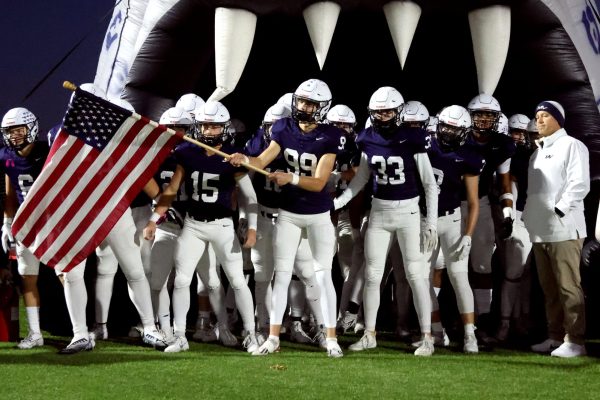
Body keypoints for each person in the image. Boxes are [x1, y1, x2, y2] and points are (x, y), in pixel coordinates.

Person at [228, 78, 344, 358]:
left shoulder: (330, 136)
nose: (304, 107)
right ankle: (273, 337)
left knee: (322, 276)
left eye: (310, 103)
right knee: (280, 276)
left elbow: (318, 183)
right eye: (302, 101)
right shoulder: (283, 128)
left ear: (322, 108)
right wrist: (242, 159)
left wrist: (290, 177)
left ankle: (331, 337)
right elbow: (262, 161)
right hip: (289, 214)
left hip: (318, 215)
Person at [56, 93, 167, 354]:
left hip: (116, 215)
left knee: (134, 271)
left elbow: (154, 191)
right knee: (72, 274)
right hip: (80, 217)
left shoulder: (126, 151)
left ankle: (149, 327)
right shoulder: (70, 140)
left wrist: (155, 216)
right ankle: (80, 334)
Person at [145, 101, 259, 354]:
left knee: (237, 281)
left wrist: (251, 227)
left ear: (224, 129)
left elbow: (249, 197)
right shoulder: (187, 152)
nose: (208, 131)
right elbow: (172, 190)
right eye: (205, 125)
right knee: (183, 280)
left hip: (222, 226)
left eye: (214, 126)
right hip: (193, 225)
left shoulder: (232, 157)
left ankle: (250, 334)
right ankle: (180, 335)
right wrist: (154, 220)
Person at [333, 86, 438, 356]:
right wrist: (340, 201)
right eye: (379, 112)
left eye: (389, 111)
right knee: (371, 275)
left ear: (398, 112)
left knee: (415, 275)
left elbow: (429, 185)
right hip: (379, 211)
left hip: (408, 212)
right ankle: (369, 333)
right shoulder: (367, 138)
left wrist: (431, 223)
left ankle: (427, 336)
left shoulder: (413, 138)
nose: (384, 117)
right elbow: (362, 178)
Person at [523, 100, 589, 358]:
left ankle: (576, 339)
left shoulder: (572, 145)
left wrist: (560, 210)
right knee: (549, 289)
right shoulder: (536, 152)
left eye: (544, 116)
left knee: (568, 287)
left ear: (558, 119)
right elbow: (534, 192)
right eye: (537, 115)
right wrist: (530, 219)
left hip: (564, 229)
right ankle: (554, 336)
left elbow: (579, 183)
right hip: (540, 231)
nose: (538, 120)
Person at [422, 105, 485, 353]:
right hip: (425, 219)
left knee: (459, 277)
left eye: (454, 128)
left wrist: (468, 235)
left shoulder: (470, 155)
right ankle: (437, 331)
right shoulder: (425, 144)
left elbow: (473, 201)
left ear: (464, 132)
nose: (448, 132)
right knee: (421, 278)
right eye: (446, 126)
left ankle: (470, 334)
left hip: (451, 219)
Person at [464, 94, 515, 341]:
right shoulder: (457, 136)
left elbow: (505, 182)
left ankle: (482, 321)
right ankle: (440, 320)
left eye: (489, 115)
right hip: (451, 204)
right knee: (441, 265)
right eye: (479, 114)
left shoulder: (501, 145)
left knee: (481, 264)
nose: (484, 119)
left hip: (481, 204)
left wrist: (507, 212)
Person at [0, 107, 49, 349]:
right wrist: (7, 223)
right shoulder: (7, 156)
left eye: (18, 130)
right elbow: (9, 193)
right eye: (9, 131)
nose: (14, 136)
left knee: (66, 277)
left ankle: (79, 331)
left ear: (31, 127)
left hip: (50, 222)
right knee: (28, 278)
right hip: (25, 224)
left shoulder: (47, 152)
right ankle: (35, 333)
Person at [496, 113, 534, 342]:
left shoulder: (548, 154)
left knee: (527, 274)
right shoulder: (516, 156)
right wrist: (509, 217)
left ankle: (521, 319)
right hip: (519, 215)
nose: (521, 137)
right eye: (517, 131)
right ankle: (505, 322)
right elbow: (511, 188)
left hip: (538, 218)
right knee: (513, 272)